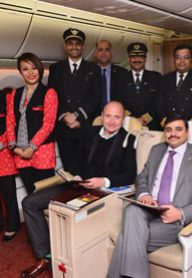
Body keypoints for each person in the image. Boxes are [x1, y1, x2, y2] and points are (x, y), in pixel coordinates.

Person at [21, 101, 136, 278]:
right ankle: (45, 257)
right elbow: (75, 160)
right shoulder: (89, 133)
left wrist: (103, 181)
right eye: (108, 116)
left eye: (117, 117)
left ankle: (64, 260)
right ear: (102, 116)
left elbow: (130, 174)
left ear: (123, 119)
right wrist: (76, 175)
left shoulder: (128, 139)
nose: (112, 121)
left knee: (68, 213)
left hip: (101, 193)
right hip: (77, 185)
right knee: (29, 203)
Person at [107, 115, 192, 278]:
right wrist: (144, 194)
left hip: (173, 220)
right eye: (168, 130)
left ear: (187, 133)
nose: (172, 133)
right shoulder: (156, 150)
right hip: (149, 209)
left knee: (127, 237)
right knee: (131, 210)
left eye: (178, 129)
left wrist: (181, 213)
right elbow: (142, 177)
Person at [48, 28, 102, 173]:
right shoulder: (56, 69)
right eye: (70, 43)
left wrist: (77, 115)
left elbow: (96, 97)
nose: (74, 47)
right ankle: (71, 196)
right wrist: (65, 116)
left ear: (83, 46)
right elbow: (52, 97)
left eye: (77, 43)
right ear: (65, 46)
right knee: (68, 170)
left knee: (85, 169)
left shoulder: (93, 69)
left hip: (84, 125)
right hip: (64, 128)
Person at [6, 52, 58, 195]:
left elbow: (48, 124)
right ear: (20, 72)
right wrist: (13, 146)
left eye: (33, 68)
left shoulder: (49, 93)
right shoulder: (15, 94)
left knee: (47, 196)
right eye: (25, 69)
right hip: (20, 153)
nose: (30, 73)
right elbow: (10, 121)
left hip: (42, 152)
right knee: (32, 195)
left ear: (40, 69)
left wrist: (31, 147)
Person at [158, 44, 192, 127]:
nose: (182, 61)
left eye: (186, 57)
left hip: (191, 126)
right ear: (174, 60)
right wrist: (164, 121)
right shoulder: (164, 79)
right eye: (178, 57)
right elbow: (159, 103)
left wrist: (191, 124)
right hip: (169, 125)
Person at [117, 42, 161, 130]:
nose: (137, 60)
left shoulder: (156, 77)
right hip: (128, 124)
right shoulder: (121, 78)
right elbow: (119, 101)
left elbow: (159, 102)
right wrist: (133, 119)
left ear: (145, 59)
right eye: (133, 56)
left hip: (151, 125)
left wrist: (145, 119)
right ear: (129, 59)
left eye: (140, 56)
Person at [0, 87, 20, 241]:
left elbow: (11, 122)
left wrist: (2, 142)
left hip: (3, 152)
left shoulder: (5, 96)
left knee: (8, 192)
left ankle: (13, 224)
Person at [94, 39, 127, 109]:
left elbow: (127, 98)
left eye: (107, 50)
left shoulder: (123, 73)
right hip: (92, 116)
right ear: (96, 53)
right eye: (100, 50)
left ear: (111, 53)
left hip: (115, 115)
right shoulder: (88, 71)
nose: (104, 52)